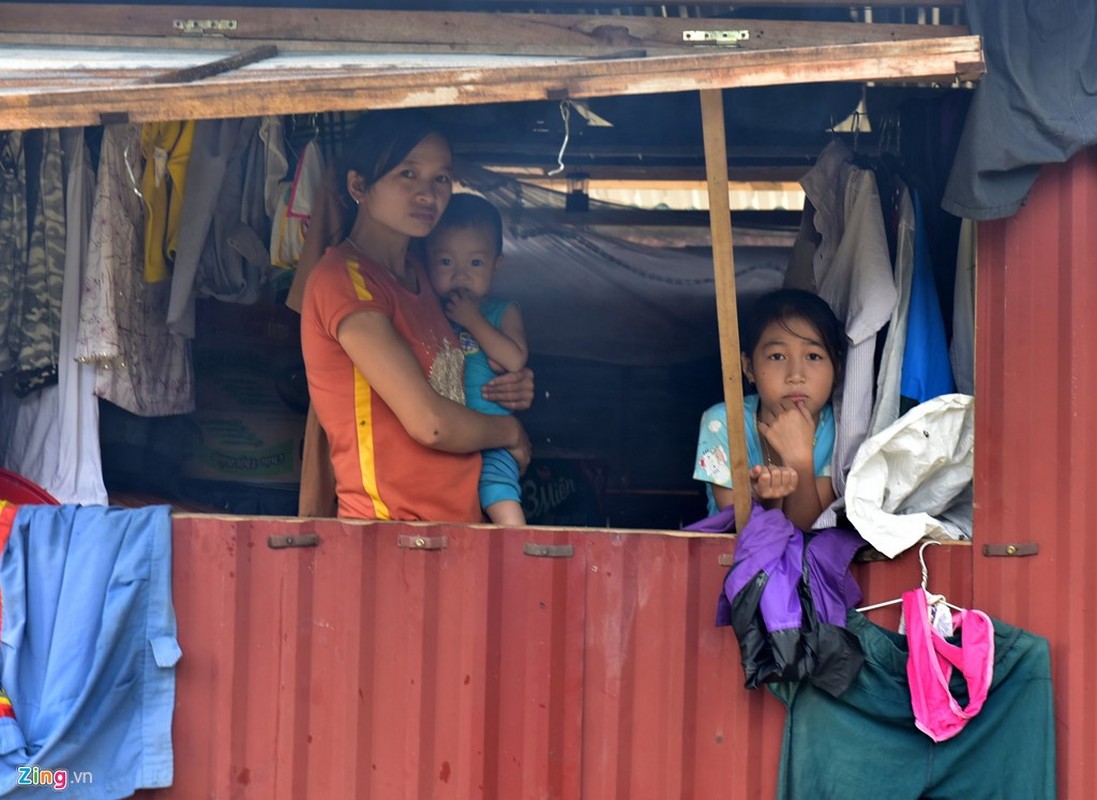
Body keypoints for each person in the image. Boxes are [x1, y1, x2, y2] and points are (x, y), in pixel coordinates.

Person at [300, 110, 533, 522]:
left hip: (459, 524)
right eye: (408, 174)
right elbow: (431, 424)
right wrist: (509, 432)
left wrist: (513, 383)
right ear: (359, 185)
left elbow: (474, 360)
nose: (429, 194)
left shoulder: (431, 276)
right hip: (391, 532)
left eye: (441, 178)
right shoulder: (344, 282)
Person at [693, 288, 846, 531]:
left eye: (814, 356)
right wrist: (767, 499)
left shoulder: (839, 430)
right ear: (749, 367)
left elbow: (806, 530)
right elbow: (739, 528)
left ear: (836, 367)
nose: (796, 375)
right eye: (777, 356)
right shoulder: (724, 423)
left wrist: (800, 461)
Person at [425, 193, 528, 526]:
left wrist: (473, 321)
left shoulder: (502, 311)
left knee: (501, 501)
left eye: (475, 263)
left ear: (497, 264)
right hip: (446, 438)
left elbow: (513, 360)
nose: (460, 275)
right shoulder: (425, 311)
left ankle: (525, 564)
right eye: (446, 262)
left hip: (493, 441)